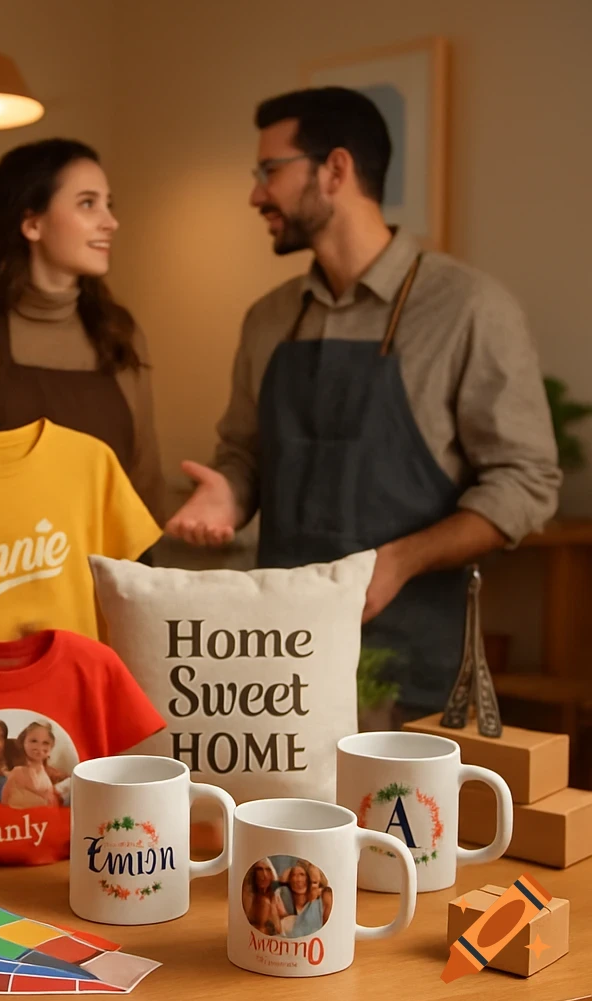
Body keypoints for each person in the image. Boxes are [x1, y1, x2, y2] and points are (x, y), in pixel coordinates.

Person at [166, 87, 561, 721]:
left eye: (270, 171)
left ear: (336, 169)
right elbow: (243, 456)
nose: (255, 194)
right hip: (279, 668)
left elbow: (528, 481)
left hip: (415, 669)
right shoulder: (268, 319)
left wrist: (399, 561)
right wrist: (228, 497)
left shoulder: (468, 308)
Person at [0, 137, 167, 525]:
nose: (110, 222)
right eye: (87, 203)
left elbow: (145, 480)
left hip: (113, 578)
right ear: (32, 223)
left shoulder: (119, 333)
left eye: (108, 204)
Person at [1, 721, 68, 810]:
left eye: (45, 743)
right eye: (33, 741)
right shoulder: (18, 772)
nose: (39, 747)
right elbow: (5, 800)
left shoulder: (46, 771)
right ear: (23, 743)